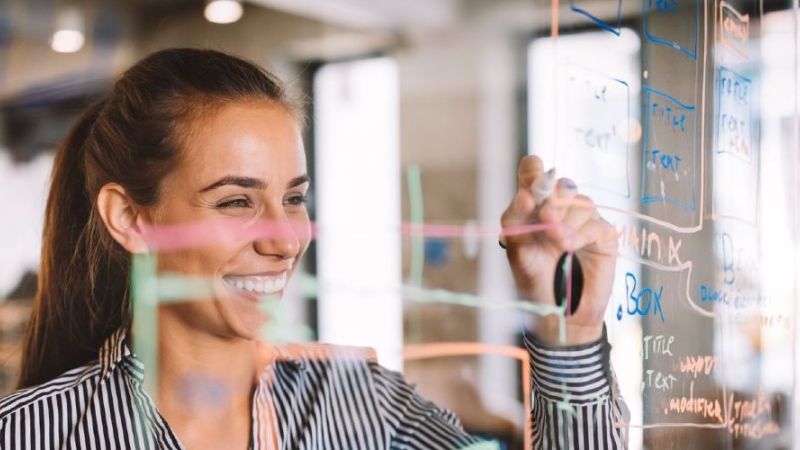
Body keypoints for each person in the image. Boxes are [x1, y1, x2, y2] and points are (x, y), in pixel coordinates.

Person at [0, 48, 627, 449]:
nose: (285, 238)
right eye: (236, 201)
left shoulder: (359, 402)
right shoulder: (32, 434)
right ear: (130, 218)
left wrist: (568, 327)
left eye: (294, 198)